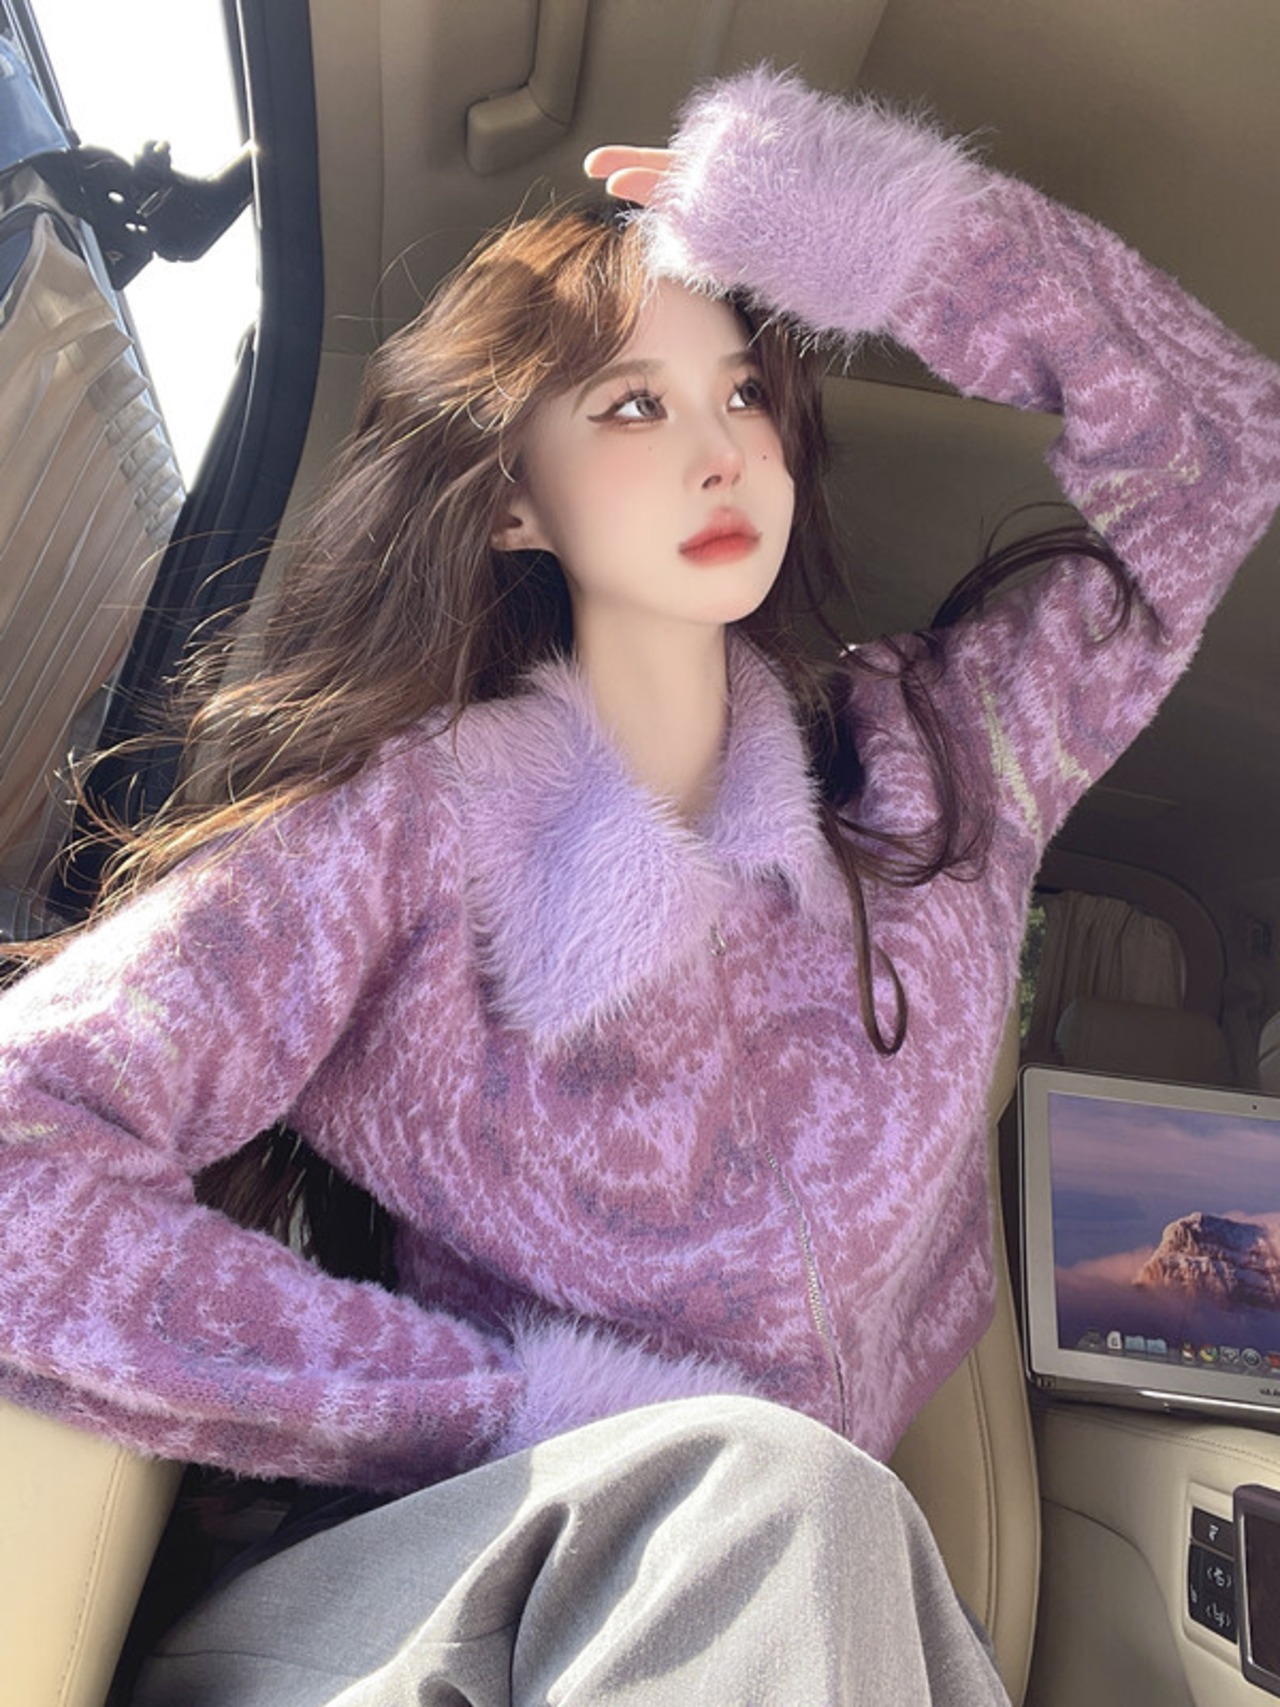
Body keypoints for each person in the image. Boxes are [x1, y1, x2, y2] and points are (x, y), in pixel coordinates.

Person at [1, 64, 1277, 1706]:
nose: (721, 451)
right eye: (630, 406)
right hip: (466, 1583)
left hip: (792, 1591)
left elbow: (1213, 452)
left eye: (743, 393)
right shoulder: (404, 833)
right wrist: (490, 1403)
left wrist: (886, 232)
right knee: (787, 1506)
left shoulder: (936, 768)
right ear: (510, 499)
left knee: (825, 1536)